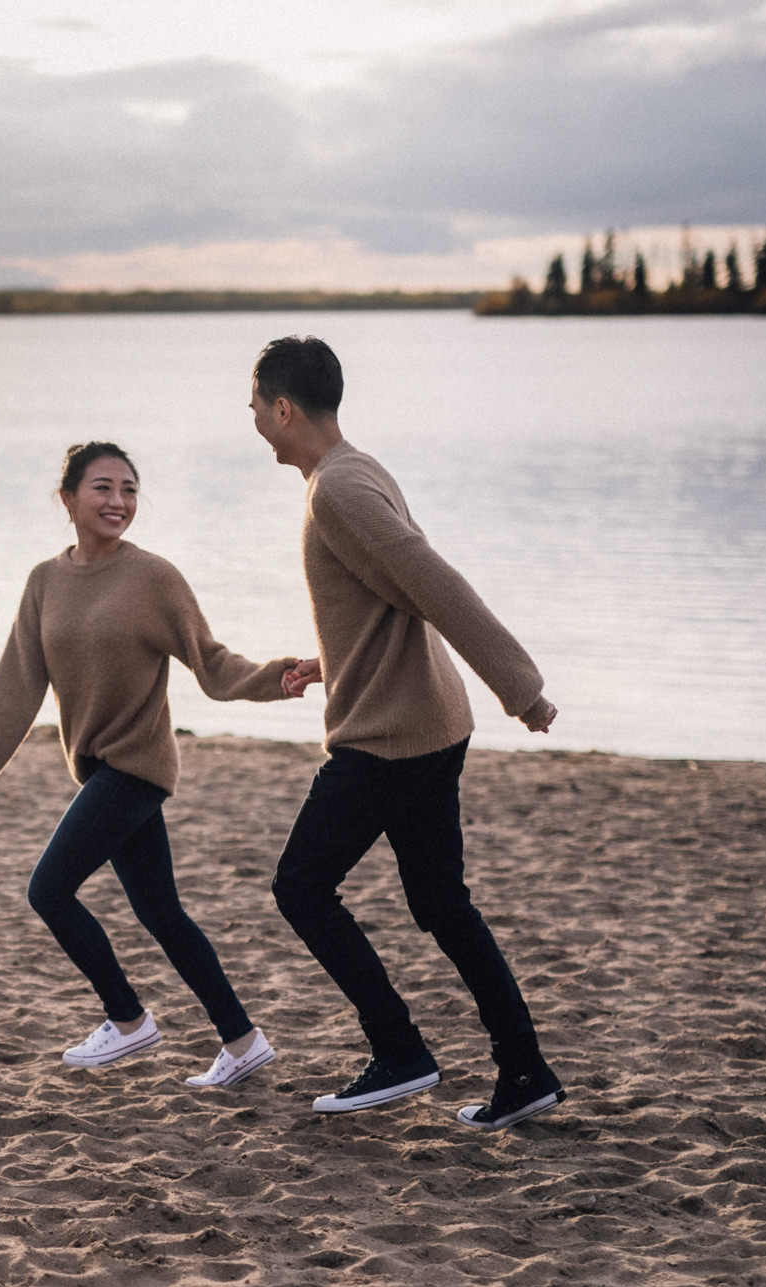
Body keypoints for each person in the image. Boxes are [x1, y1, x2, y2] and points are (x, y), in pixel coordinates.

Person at [250, 336, 567, 1130]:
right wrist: (333, 660)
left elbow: (435, 584)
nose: (253, 420)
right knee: (440, 903)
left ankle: (399, 1050)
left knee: (301, 885)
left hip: (389, 736)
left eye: (256, 406)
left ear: (284, 408)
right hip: (427, 721)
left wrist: (520, 686)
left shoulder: (339, 492)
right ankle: (523, 1070)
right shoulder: (357, 468)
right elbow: (386, 595)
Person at [0, 441, 301, 1089]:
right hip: (97, 768)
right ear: (67, 499)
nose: (119, 502)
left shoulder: (153, 578)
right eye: (103, 488)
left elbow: (211, 660)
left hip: (136, 765)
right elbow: (19, 676)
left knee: (49, 890)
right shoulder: (45, 582)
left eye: (130, 490)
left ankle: (127, 1018)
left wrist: (275, 677)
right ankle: (243, 1039)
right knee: (162, 912)